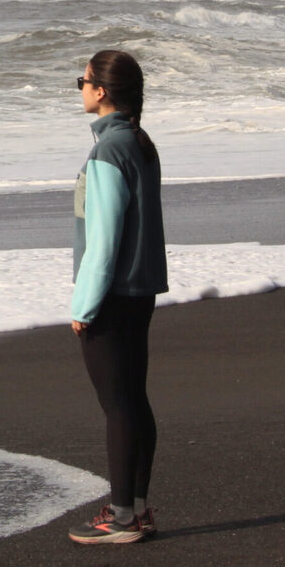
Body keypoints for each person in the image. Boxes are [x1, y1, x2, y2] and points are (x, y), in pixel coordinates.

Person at [66, 49, 168, 545]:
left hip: (112, 295)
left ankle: (122, 516)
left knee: (118, 407)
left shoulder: (108, 151)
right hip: (140, 291)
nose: (80, 88)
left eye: (81, 81)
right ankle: (138, 509)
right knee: (133, 401)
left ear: (101, 91)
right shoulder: (140, 143)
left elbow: (102, 243)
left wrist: (83, 307)